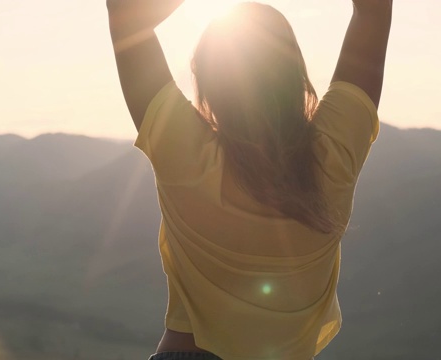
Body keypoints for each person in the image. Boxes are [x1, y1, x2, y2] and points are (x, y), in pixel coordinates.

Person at [107, 0, 392, 359]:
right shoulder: (332, 155)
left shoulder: (186, 155)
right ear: (297, 76)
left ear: (207, 84)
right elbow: (373, 11)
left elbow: (123, 17)